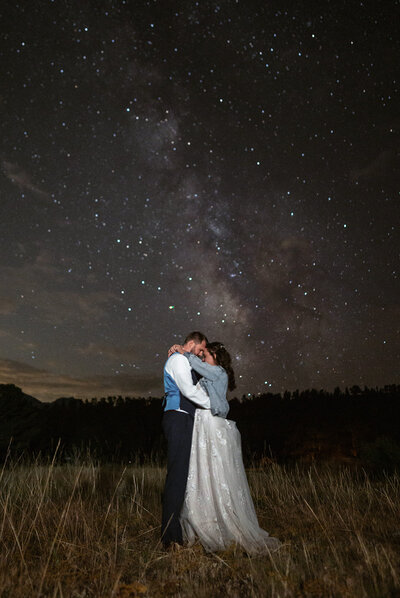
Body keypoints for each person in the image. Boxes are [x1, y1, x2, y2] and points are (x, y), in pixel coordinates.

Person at [168, 341, 281, 554]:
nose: (202, 358)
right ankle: (201, 518)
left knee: (215, 472)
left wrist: (185, 352)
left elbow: (198, 367)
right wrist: (178, 354)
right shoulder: (209, 372)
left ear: (216, 358)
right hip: (203, 424)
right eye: (202, 356)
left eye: (206, 355)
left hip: (212, 425)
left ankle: (221, 523)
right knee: (201, 472)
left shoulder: (218, 372)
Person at [161, 331, 211, 548]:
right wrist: (213, 405)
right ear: (191, 343)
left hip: (184, 419)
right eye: (200, 350)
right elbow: (188, 391)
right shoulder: (179, 359)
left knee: (182, 477)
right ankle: (170, 538)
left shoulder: (185, 360)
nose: (201, 355)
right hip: (178, 418)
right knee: (177, 477)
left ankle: (176, 532)